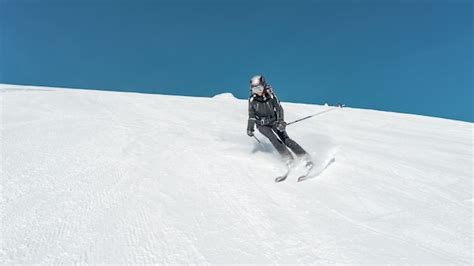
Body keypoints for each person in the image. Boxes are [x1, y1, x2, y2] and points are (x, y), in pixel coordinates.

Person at [247, 75, 312, 167]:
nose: (258, 92)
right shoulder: (252, 100)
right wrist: (250, 128)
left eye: (259, 88)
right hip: (262, 125)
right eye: (255, 89)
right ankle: (289, 159)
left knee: (286, 140)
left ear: (264, 86)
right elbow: (251, 116)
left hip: (274, 121)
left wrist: (280, 121)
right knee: (273, 139)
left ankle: (305, 157)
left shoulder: (271, 95)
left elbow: (279, 109)